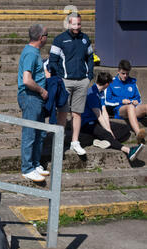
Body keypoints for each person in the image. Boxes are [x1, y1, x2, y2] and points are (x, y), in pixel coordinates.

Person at [49, 12, 94, 156]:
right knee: (62, 112)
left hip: (82, 81)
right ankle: (59, 141)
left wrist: (89, 77)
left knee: (77, 113)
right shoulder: (59, 39)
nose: (76, 27)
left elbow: (91, 58)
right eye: (74, 24)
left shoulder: (85, 39)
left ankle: (75, 142)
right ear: (68, 24)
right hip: (65, 82)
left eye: (79, 24)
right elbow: (52, 61)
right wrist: (59, 79)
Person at [81, 72, 144, 161]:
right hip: (88, 123)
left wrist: (109, 128)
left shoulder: (101, 92)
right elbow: (99, 116)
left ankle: (102, 140)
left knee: (125, 129)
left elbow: (104, 111)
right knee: (107, 133)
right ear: (107, 84)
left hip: (97, 121)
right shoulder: (92, 93)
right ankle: (128, 151)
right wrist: (108, 131)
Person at [17, 23, 50, 182]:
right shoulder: (30, 53)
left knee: (40, 132)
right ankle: (27, 168)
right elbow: (27, 80)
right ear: (40, 38)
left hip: (36, 98)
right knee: (30, 133)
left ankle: (35, 164)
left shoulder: (34, 52)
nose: (47, 39)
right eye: (46, 36)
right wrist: (42, 90)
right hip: (31, 97)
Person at [104, 59, 147, 144]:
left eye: (127, 74)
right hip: (119, 109)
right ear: (118, 71)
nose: (125, 76)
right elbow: (107, 100)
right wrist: (121, 101)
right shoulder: (111, 82)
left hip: (133, 108)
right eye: (123, 73)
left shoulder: (132, 82)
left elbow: (139, 99)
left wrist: (136, 101)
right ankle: (138, 133)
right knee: (130, 107)